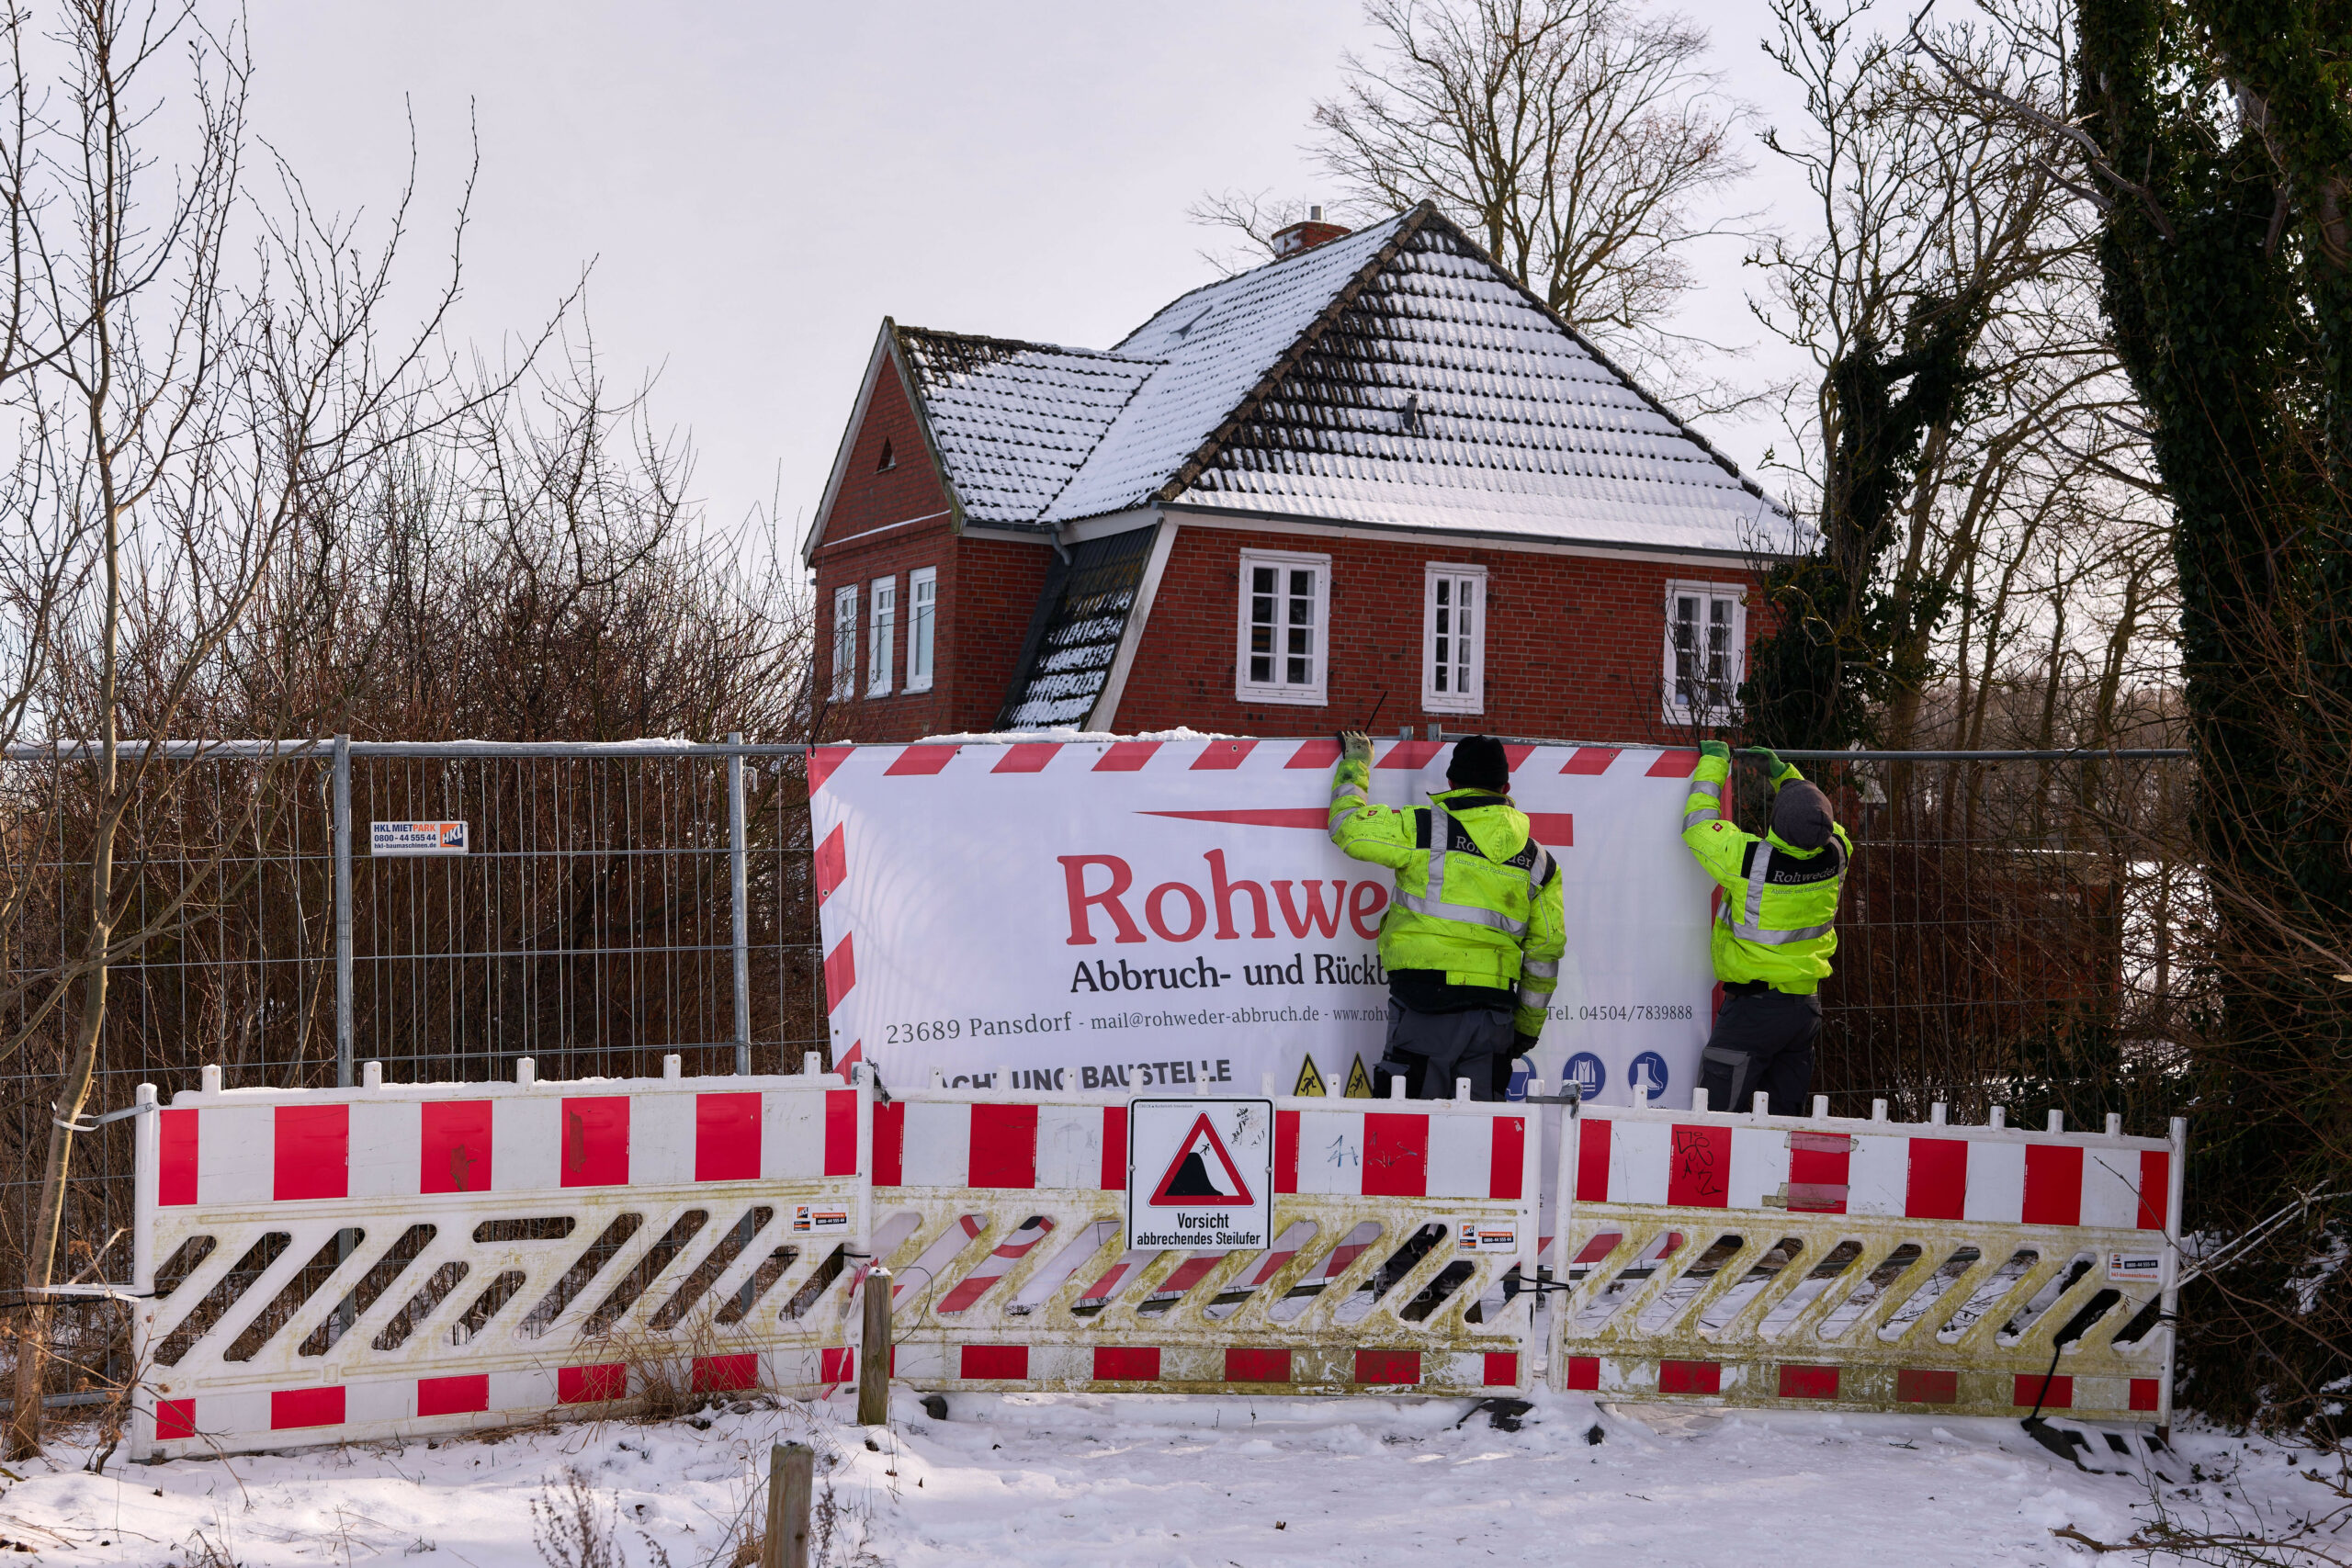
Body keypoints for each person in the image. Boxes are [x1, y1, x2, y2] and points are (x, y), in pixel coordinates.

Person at [1328, 732, 1566, 1101]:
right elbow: (1545, 955)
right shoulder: (1539, 861)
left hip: (1425, 1006)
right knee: (1480, 1137)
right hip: (1494, 1018)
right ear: (1505, 787)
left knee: (1407, 1133)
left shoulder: (1425, 827)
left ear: (1452, 784)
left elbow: (1348, 827)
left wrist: (1356, 764)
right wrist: (1525, 1030)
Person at [1680, 739, 1853, 1113]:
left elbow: (1696, 826)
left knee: (1714, 1117)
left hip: (1754, 1013)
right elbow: (1821, 819)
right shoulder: (1838, 853)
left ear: (1776, 823)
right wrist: (1787, 778)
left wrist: (1714, 762)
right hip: (1803, 1011)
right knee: (1780, 1122)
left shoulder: (1750, 861)